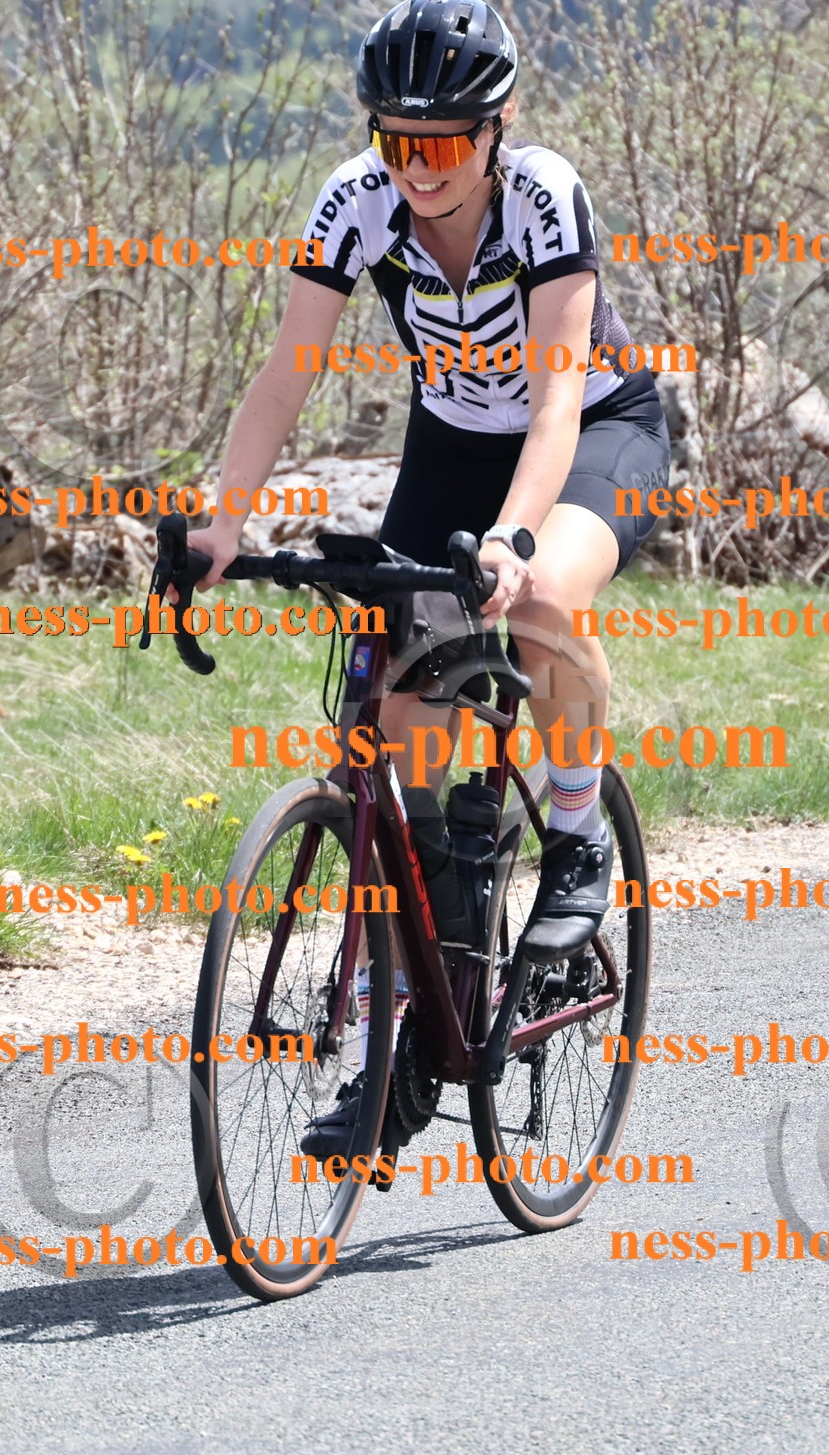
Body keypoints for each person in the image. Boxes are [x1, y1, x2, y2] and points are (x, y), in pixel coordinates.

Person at [185, 0, 670, 1154]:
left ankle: (574, 833)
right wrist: (219, 527)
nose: (417, 167)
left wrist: (508, 545)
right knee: (394, 731)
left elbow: (555, 402)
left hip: (594, 431)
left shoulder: (543, 194)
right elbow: (282, 380)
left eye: (442, 143)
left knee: (546, 597)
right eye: (396, 140)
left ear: (493, 131)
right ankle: (409, 1030)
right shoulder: (357, 203)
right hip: (452, 444)